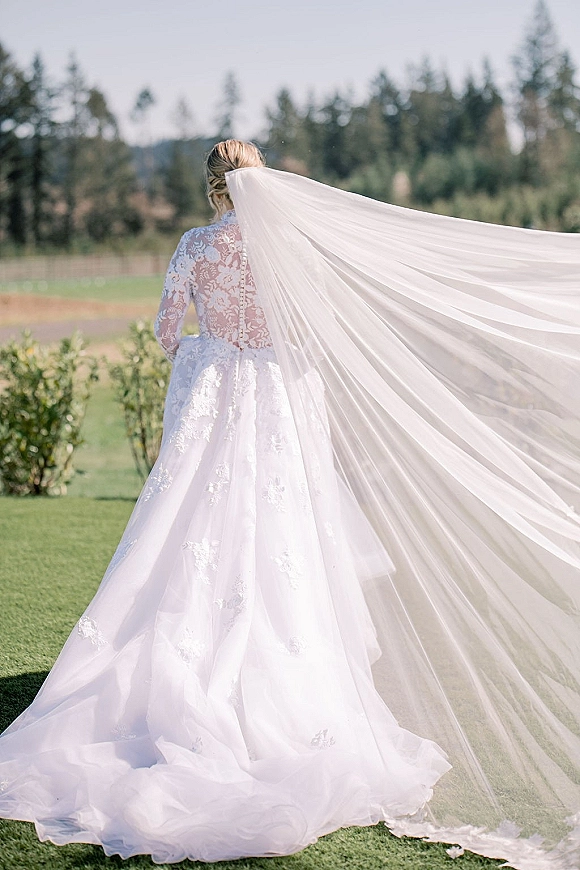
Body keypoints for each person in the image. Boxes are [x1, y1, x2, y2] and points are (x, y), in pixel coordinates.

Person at [0, 139, 579, 870]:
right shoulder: (291, 252)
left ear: (211, 189)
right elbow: (318, 331)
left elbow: (165, 330)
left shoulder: (194, 245)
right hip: (275, 398)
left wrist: (206, 355)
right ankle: (291, 693)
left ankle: (183, 673)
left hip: (218, 399)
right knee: (283, 537)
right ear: (266, 185)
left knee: (188, 535)